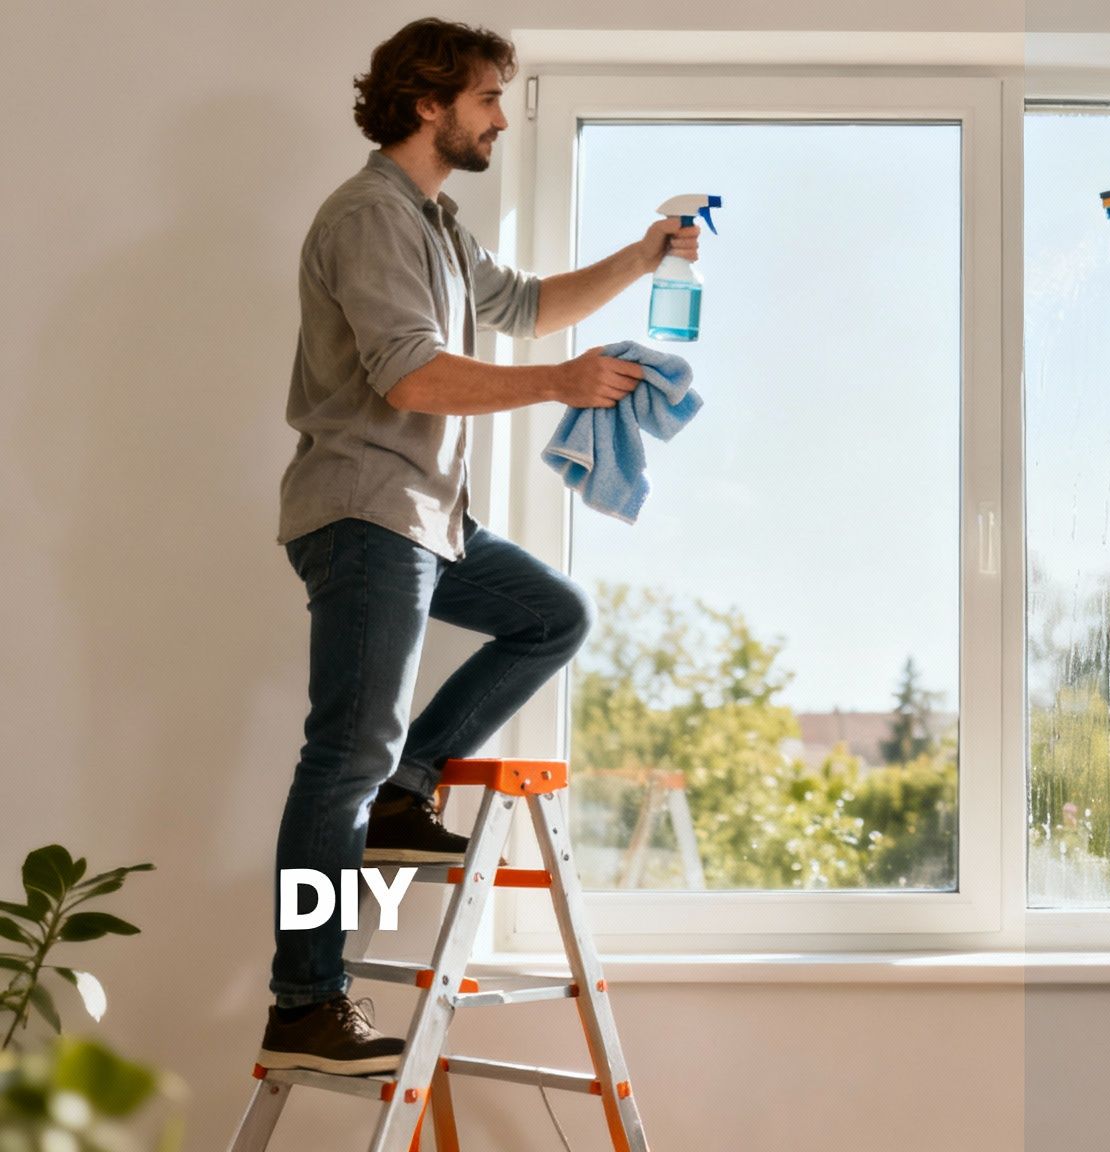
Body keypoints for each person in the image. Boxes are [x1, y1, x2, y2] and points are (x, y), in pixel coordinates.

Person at [261, 17, 699, 1075]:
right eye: (489, 98)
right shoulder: (369, 216)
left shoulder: (438, 224)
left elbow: (531, 307)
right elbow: (409, 376)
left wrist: (644, 256)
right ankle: (303, 1001)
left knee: (552, 614)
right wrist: (559, 385)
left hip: (424, 516)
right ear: (429, 104)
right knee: (343, 756)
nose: (500, 115)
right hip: (366, 512)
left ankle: (411, 790)